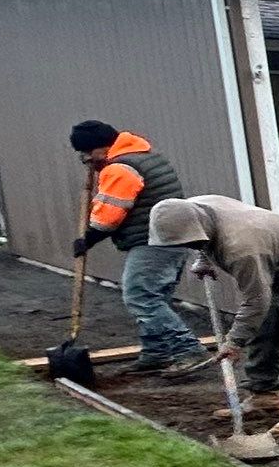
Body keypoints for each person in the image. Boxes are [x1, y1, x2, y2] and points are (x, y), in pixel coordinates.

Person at [147, 196, 279, 437]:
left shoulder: (242, 247)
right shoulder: (194, 207)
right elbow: (206, 236)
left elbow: (256, 301)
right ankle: (265, 395)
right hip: (277, 267)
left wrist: (234, 342)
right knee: (262, 331)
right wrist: (204, 258)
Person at [68, 120, 199, 375]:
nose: (84, 159)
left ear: (101, 147)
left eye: (86, 152)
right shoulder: (143, 156)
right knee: (155, 297)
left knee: (141, 296)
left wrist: (89, 238)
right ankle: (157, 352)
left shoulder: (120, 168)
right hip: (172, 237)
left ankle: (188, 350)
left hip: (156, 241)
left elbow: (110, 216)